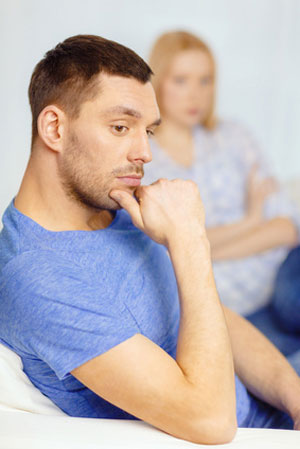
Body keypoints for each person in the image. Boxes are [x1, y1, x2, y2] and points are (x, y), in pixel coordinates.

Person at [1, 35, 300, 445]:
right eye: (121, 127)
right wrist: (189, 239)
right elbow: (211, 422)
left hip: (278, 398)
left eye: (149, 131)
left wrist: (294, 397)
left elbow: (215, 316)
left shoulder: (115, 210)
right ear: (54, 127)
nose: (144, 152)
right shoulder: (39, 276)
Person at [143, 30, 300, 353]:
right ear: (158, 83)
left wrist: (204, 250)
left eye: (205, 80)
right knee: (277, 368)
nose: (195, 95)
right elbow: (165, 252)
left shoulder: (234, 136)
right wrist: (251, 220)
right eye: (181, 80)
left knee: (291, 300)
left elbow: (287, 228)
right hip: (231, 306)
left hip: (283, 270)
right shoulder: (144, 159)